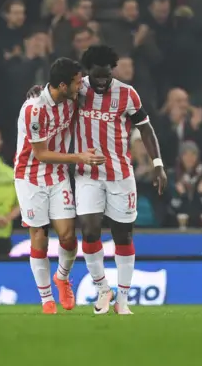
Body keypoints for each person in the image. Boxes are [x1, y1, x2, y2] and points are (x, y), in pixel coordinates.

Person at [75, 45, 167, 315]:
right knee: (90, 230)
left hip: (120, 175)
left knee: (122, 235)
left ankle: (123, 300)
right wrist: (37, 92)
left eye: (106, 76)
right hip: (87, 174)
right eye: (97, 77)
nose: (102, 82)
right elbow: (50, 93)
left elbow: (146, 129)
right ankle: (103, 289)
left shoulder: (127, 93)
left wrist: (158, 165)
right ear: (87, 72)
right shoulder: (77, 89)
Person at [15, 58, 105, 314]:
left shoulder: (71, 99)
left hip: (57, 175)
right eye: (76, 83)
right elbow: (41, 154)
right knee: (39, 237)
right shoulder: (33, 110)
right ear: (62, 85)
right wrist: (80, 157)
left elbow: (94, 86)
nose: (80, 87)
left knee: (67, 236)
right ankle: (46, 300)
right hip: (30, 175)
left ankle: (62, 278)